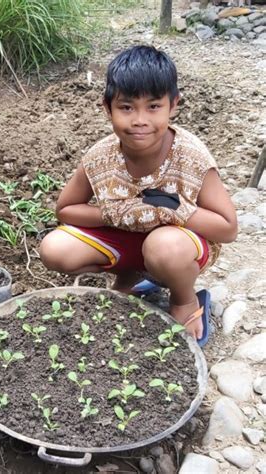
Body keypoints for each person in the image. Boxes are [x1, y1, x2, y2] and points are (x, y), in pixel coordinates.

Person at [39, 45, 237, 346]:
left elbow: (228, 228)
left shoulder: (191, 156)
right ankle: (129, 276)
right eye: (127, 107)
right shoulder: (100, 156)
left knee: (164, 246)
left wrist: (175, 207)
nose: (140, 120)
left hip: (180, 245)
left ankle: (184, 299)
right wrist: (118, 211)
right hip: (125, 237)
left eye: (153, 106)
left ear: (173, 105)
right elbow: (66, 210)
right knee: (54, 248)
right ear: (108, 108)